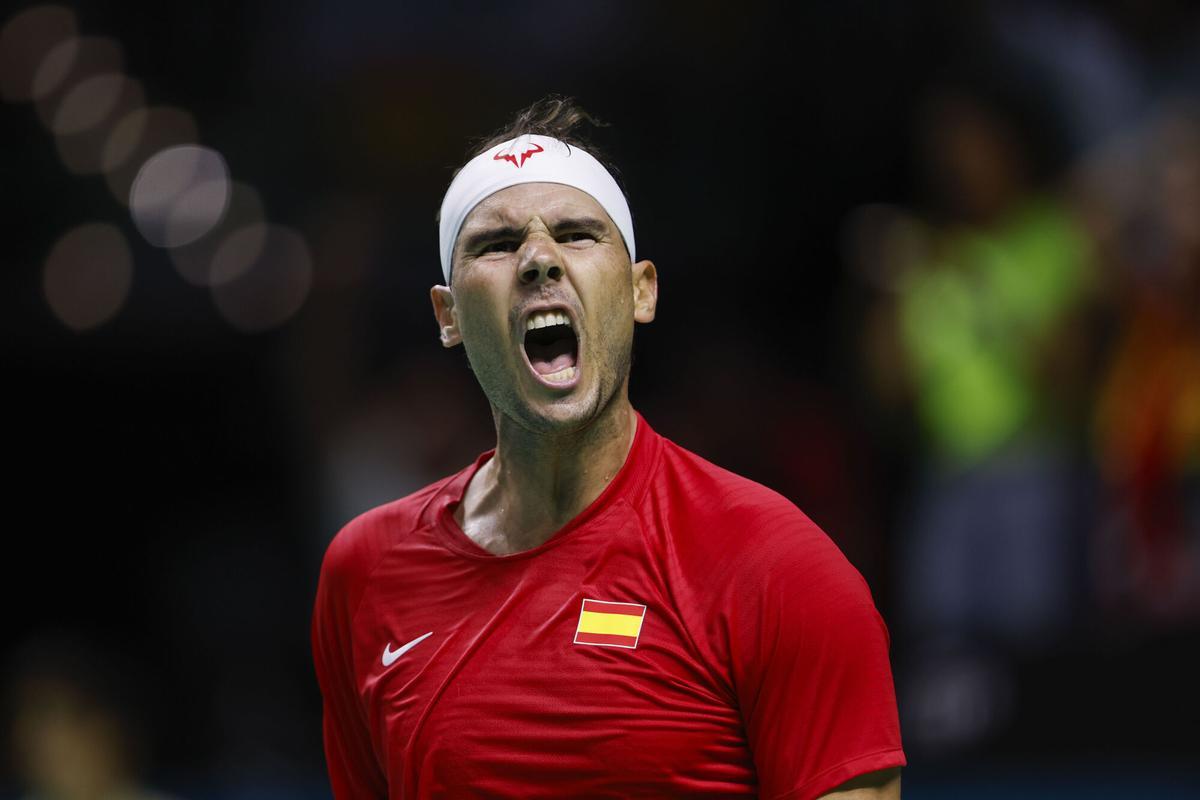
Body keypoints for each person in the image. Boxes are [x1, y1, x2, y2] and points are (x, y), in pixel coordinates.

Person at [311, 96, 906, 799]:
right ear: (448, 317)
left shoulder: (778, 566)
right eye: (497, 245)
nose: (538, 259)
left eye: (576, 234)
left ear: (639, 292)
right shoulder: (365, 570)